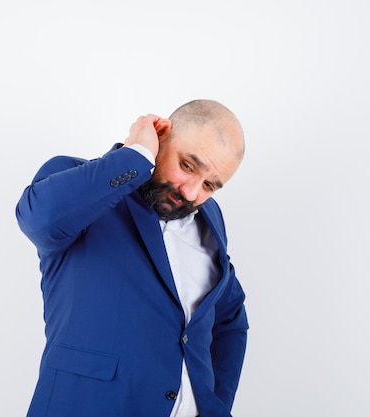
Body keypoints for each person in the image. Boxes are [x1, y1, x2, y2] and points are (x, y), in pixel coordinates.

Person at [16, 99, 248, 417]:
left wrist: (213, 405)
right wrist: (135, 155)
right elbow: (38, 220)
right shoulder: (78, 183)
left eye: (209, 185)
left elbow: (229, 318)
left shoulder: (211, 220)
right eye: (187, 166)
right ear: (161, 136)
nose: (191, 192)